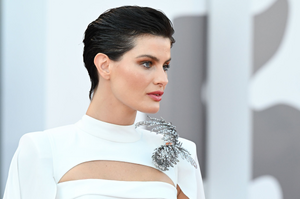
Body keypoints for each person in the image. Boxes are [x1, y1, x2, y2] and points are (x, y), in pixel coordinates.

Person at [3, 5, 205, 199]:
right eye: (147, 63)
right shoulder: (43, 150)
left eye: (165, 66)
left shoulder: (181, 155)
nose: (162, 79)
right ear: (104, 65)